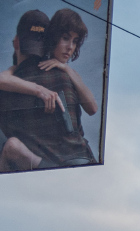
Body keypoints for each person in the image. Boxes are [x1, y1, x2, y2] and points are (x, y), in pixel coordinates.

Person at [0, 8, 97, 171]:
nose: (70, 47)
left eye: (75, 41)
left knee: (11, 147)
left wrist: (67, 69)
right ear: (51, 40)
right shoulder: (62, 76)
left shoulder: (66, 73)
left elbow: (93, 107)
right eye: (65, 39)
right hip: (80, 161)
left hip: (55, 167)